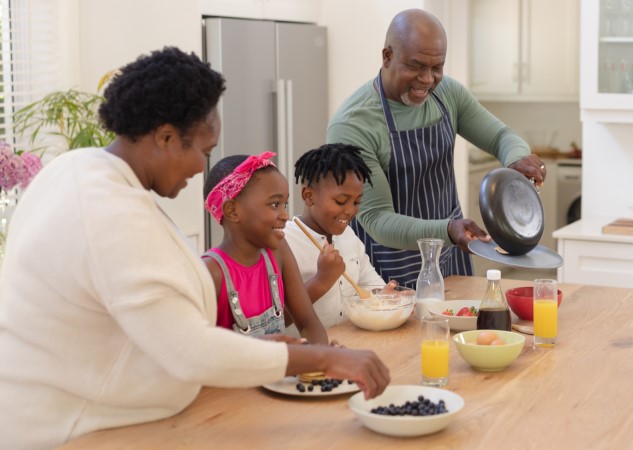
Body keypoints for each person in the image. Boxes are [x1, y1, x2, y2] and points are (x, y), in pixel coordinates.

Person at [0, 47, 389, 449]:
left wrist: (257, 349)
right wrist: (324, 358)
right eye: (203, 151)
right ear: (166, 136)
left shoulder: (79, 170)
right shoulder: (107, 210)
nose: (203, 168)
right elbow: (190, 350)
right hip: (72, 432)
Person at [327, 8, 547, 287]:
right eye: (416, 66)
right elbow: (377, 219)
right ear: (387, 56)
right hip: (384, 268)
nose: (428, 79)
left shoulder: (448, 95)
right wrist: (447, 230)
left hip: (448, 257)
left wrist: (516, 160)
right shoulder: (353, 124)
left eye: (437, 67)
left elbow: (501, 136)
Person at [203, 152, 329, 341]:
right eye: (275, 204)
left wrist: (322, 358)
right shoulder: (210, 272)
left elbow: (308, 323)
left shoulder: (278, 250)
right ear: (232, 210)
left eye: (284, 204)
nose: (285, 215)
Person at [283, 143, 389, 333]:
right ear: (308, 196)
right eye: (340, 201)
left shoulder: (348, 235)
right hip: (307, 355)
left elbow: (370, 284)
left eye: (357, 202)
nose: (350, 211)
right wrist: (322, 280)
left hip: (351, 346)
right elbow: (276, 319)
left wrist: (386, 297)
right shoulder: (284, 242)